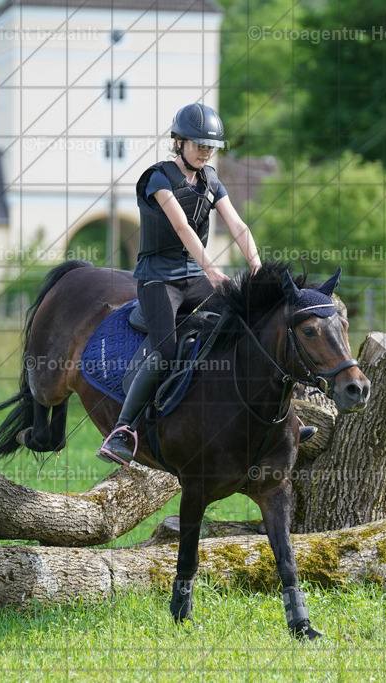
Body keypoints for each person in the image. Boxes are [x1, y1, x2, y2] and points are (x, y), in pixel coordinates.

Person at [97, 103, 314, 466]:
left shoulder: (212, 179)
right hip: (158, 280)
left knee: (249, 323)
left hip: (195, 277)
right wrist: (213, 270)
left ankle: (286, 419)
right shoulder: (158, 178)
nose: (205, 151)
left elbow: (237, 224)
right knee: (166, 351)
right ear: (178, 142)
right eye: (198, 145)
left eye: (210, 146)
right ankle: (123, 430)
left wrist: (257, 266)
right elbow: (182, 227)